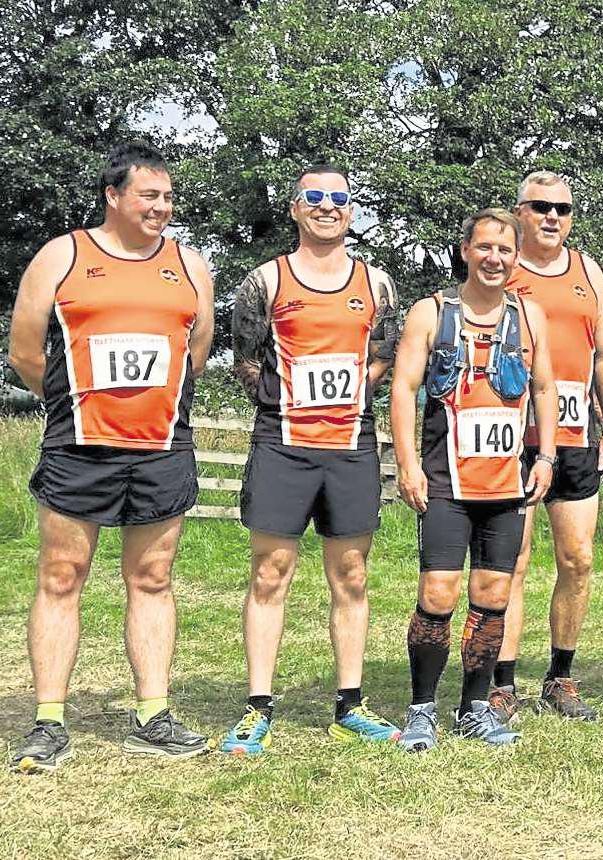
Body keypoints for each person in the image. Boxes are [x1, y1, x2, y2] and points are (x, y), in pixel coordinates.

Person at [5, 141, 215, 771]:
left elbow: (196, 353)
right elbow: (24, 353)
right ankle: (48, 721)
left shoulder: (191, 264)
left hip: (161, 445)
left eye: (168, 197)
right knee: (61, 575)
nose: (161, 207)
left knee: (152, 578)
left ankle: (152, 712)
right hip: (79, 446)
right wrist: (78, 405)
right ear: (114, 196)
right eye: (149, 195)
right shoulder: (63, 255)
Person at [218, 164, 401, 755]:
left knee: (351, 574)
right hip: (283, 445)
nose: (328, 207)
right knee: (271, 573)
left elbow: (383, 355)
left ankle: (351, 702)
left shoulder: (377, 283)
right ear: (295, 209)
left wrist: (352, 395)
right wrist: (284, 405)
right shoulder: (264, 281)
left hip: (350, 446)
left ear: (352, 210)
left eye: (339, 199)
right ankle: (257, 707)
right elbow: (246, 358)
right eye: (314, 198)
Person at [391, 208, 557, 749]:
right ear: (465, 250)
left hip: (507, 486)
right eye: (485, 247)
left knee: (493, 594)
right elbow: (402, 388)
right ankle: (421, 707)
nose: (495, 258)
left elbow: (545, 390)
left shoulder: (529, 317)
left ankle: (473, 707)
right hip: (446, 482)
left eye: (505, 250)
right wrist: (407, 463)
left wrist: (546, 456)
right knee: (438, 593)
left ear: (516, 256)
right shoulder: (431, 313)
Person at [488, 172, 603, 722]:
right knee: (512, 561)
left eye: (563, 210)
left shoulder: (589, 269)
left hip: (574, 435)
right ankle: (502, 682)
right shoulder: (501, 266)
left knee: (579, 558)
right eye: (540, 207)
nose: (552, 218)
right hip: (511, 437)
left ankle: (560, 678)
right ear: (520, 212)